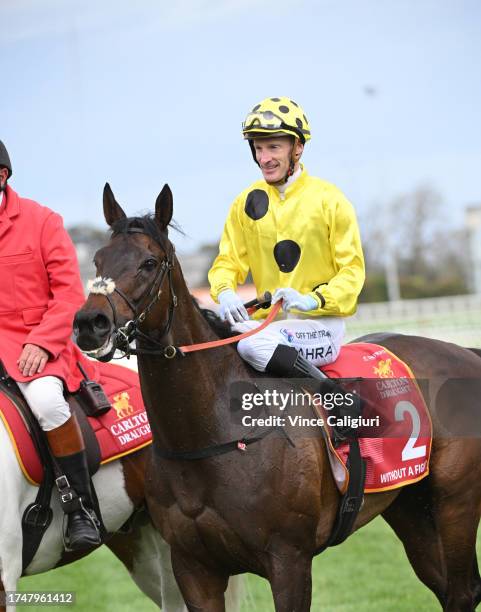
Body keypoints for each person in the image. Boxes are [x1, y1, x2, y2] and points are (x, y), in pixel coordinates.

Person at [208, 97, 365, 392]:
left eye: (273, 147)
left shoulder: (330, 200)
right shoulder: (245, 202)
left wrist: (314, 300)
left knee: (253, 346)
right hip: (267, 325)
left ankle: (337, 399)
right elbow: (227, 262)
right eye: (258, 148)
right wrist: (225, 291)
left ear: (298, 147)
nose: (264, 158)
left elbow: (352, 274)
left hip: (320, 328)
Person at [0, 139, 101, 550]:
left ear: (1, 176)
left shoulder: (42, 221)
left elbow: (68, 294)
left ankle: (81, 510)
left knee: (46, 402)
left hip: (34, 344)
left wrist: (42, 343)